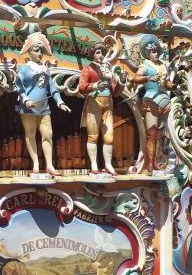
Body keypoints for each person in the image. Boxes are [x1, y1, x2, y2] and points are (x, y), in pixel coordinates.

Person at [15, 33, 71, 176]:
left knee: (48, 134)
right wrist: (26, 99)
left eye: (41, 50)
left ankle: (49, 165)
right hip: (28, 108)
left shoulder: (45, 69)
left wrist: (60, 102)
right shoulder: (23, 68)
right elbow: (19, 87)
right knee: (31, 134)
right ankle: (35, 163)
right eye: (36, 50)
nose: (40, 53)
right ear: (29, 51)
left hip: (44, 108)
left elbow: (52, 88)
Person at [77, 43, 127, 175]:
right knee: (93, 136)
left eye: (102, 53)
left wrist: (121, 81)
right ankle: (94, 165)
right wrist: (95, 86)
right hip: (94, 102)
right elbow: (81, 87)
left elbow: (115, 92)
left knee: (109, 137)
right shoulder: (88, 69)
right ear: (92, 54)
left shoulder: (108, 70)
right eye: (98, 52)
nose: (101, 55)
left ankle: (108, 165)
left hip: (108, 104)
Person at [133, 36, 173, 175]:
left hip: (164, 99)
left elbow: (167, 83)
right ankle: (149, 164)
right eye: (153, 51)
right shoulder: (145, 66)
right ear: (148, 53)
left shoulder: (162, 65)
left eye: (157, 51)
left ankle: (156, 161)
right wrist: (148, 78)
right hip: (151, 99)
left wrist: (175, 85)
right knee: (152, 133)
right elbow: (136, 78)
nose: (156, 53)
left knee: (160, 134)